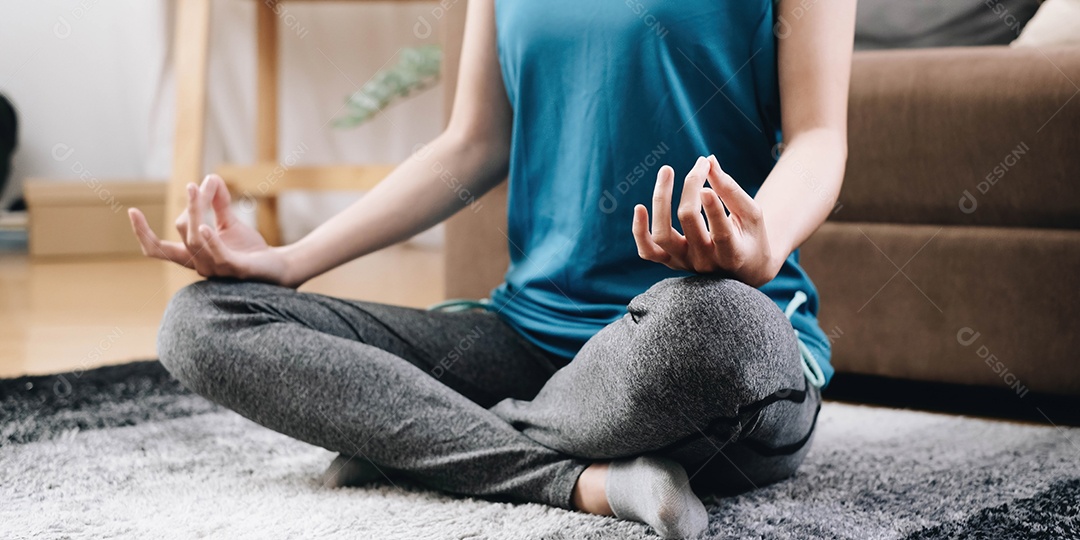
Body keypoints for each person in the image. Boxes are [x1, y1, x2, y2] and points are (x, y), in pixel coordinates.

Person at [128, 1, 855, 537]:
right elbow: (470, 144)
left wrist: (761, 248)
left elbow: (820, 137)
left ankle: (421, 443)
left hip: (695, 340)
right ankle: (585, 483)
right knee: (203, 320)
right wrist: (288, 262)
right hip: (529, 346)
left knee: (719, 331)